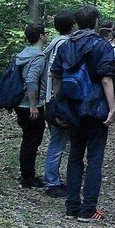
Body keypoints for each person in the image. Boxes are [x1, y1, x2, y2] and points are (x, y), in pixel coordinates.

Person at [50, 5, 115, 222]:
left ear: (77, 23)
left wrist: (58, 105)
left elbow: (56, 76)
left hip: (72, 108)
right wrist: (113, 108)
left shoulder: (65, 46)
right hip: (96, 108)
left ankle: (71, 206)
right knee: (95, 158)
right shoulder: (102, 45)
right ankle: (88, 209)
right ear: (95, 22)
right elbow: (106, 78)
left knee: (75, 157)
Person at [42, 11, 76, 197]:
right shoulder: (63, 44)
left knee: (61, 141)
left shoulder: (54, 42)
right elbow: (55, 73)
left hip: (52, 99)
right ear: (72, 25)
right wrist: (59, 102)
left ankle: (55, 179)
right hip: (58, 101)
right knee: (57, 142)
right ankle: (52, 182)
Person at [13, 22, 47, 188]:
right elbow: (32, 80)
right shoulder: (37, 57)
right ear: (41, 36)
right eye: (45, 33)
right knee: (32, 140)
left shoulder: (23, 54)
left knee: (28, 140)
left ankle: (26, 174)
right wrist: (34, 105)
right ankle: (28, 177)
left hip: (20, 103)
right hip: (30, 105)